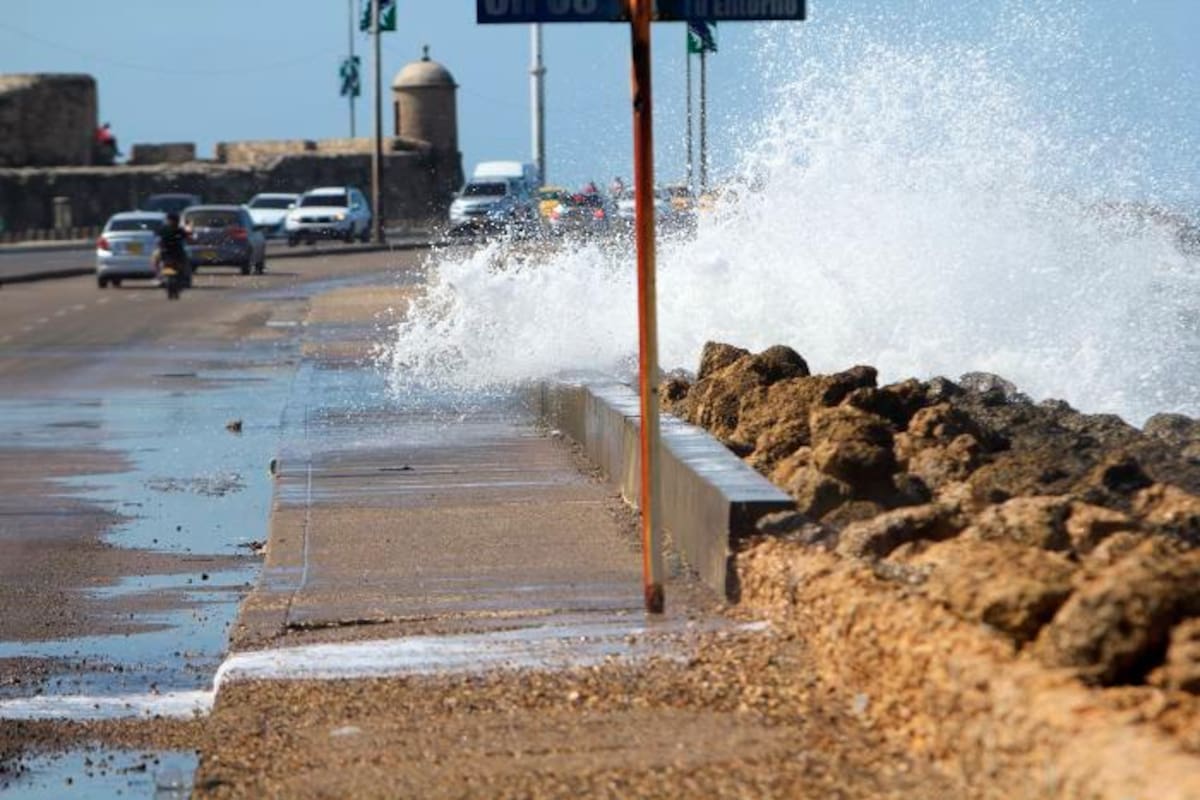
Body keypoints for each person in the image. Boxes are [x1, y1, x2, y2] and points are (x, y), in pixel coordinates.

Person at [156, 212, 191, 299]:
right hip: (170, 253)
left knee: (184, 264)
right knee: (156, 262)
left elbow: (188, 238)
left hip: (172, 253)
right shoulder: (174, 229)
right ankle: (160, 277)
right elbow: (188, 238)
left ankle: (160, 277)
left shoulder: (175, 230)